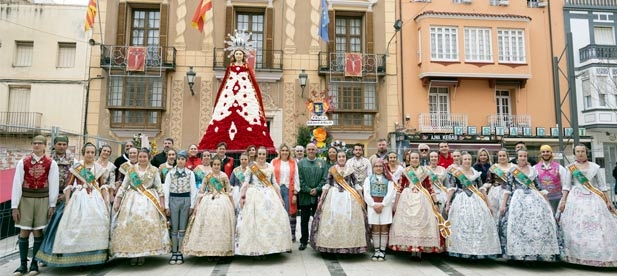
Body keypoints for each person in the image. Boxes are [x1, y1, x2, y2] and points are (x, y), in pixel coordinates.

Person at [37, 142, 111, 267]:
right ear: (83, 153)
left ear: (95, 154)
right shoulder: (77, 167)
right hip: (79, 197)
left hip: (95, 199)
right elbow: (69, 186)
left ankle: (93, 256)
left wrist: (105, 201)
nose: (90, 154)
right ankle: (73, 257)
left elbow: (102, 185)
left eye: (92, 152)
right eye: (88, 152)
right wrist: (67, 202)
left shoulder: (98, 168)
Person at [197, 39, 275, 154]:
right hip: (229, 96)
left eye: (240, 54)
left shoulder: (247, 69)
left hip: (245, 96)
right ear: (234, 55)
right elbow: (225, 83)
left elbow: (252, 82)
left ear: (243, 56)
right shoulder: (230, 68)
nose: (238, 56)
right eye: (237, 53)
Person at [558, 144, 617, 267]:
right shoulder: (570, 168)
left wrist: (608, 201)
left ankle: (599, 256)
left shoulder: (595, 167)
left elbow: (602, 185)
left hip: (594, 198)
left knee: (598, 225)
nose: (580, 153)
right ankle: (576, 256)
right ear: (575, 153)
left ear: (587, 152)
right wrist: (563, 200)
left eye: (582, 151)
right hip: (576, 198)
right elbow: (566, 186)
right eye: (578, 151)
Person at [111, 148, 170, 266]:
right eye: (140, 157)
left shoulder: (154, 170)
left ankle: (143, 254)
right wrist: (117, 201)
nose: (142, 159)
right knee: (131, 226)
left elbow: (159, 187)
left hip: (149, 201)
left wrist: (162, 203)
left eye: (144, 157)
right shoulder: (131, 170)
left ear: (149, 158)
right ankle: (132, 253)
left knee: (147, 225)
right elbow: (123, 186)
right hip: (131, 199)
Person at [11, 135, 59, 276]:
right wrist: (14, 206)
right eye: (35, 143)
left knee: (38, 231)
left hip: (42, 199)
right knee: (24, 231)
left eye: (40, 143)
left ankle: (34, 264)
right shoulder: (23, 162)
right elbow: (17, 184)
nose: (37, 145)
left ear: (45, 145)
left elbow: (54, 184)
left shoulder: (51, 163)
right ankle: (22, 265)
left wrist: (52, 204)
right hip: (25, 199)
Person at [498, 149, 558, 261]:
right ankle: (520, 253)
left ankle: (535, 252)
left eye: (525, 156)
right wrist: (503, 205)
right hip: (518, 199)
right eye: (520, 156)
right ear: (517, 157)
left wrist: (548, 204)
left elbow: (539, 187)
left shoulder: (533, 170)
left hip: (534, 198)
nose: (523, 158)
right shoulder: (513, 170)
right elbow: (508, 189)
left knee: (536, 225)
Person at [236, 147, 292, 256]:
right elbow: (246, 183)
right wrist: (242, 197)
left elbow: (274, 183)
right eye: (260, 154)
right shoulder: (251, 167)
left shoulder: (270, 167)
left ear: (266, 155)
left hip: (269, 195)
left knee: (271, 220)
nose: (261, 156)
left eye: (263, 154)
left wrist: (280, 197)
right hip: (254, 195)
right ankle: (256, 248)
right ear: (257, 155)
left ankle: (272, 248)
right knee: (256, 222)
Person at [310, 150, 369, 254]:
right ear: (337, 158)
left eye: (343, 156)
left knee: (348, 219)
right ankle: (331, 245)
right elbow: (327, 184)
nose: (341, 158)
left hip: (349, 197)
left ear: (346, 158)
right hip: (333, 196)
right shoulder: (332, 170)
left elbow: (356, 184)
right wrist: (321, 199)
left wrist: (361, 197)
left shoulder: (351, 170)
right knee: (332, 219)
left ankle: (350, 245)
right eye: (339, 157)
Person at [389, 152, 445, 260]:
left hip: (422, 198)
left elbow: (430, 187)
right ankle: (410, 249)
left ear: (419, 159)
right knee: (408, 223)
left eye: (416, 158)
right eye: (412, 158)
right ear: (409, 159)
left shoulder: (425, 171)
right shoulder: (405, 171)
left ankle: (419, 251)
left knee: (421, 223)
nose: (414, 159)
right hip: (407, 198)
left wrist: (436, 202)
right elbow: (400, 187)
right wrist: (396, 203)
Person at [445, 152, 501, 259]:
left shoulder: (476, 173)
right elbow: (451, 189)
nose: (467, 161)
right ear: (462, 160)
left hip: (476, 200)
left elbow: (482, 189)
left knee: (478, 223)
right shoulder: (456, 173)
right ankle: (461, 250)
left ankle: (477, 250)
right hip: (461, 199)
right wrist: (448, 203)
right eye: (465, 159)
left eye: (469, 159)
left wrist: (488, 204)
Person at [184, 157, 234, 257]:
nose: (216, 166)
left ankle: (221, 250)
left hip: (222, 200)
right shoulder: (208, 176)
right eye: (214, 164)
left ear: (221, 165)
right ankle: (207, 251)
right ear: (212, 165)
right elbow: (201, 191)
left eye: (218, 164)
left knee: (220, 225)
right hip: (208, 200)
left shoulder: (224, 176)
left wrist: (232, 204)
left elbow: (229, 191)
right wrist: (197, 205)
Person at [163, 150, 197, 264]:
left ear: (186, 161)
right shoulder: (170, 173)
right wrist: (166, 206)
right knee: (174, 226)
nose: (180, 161)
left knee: (183, 226)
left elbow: (193, 190)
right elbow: (166, 189)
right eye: (178, 159)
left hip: (185, 200)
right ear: (176, 160)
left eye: (182, 159)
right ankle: (174, 252)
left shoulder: (190, 173)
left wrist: (192, 205)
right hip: (173, 199)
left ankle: (180, 252)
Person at [297, 143, 328, 251]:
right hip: (304, 196)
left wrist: (318, 189)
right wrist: (308, 190)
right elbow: (299, 179)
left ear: (316, 150)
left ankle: (316, 240)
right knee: (304, 220)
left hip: (318, 197)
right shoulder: (300, 163)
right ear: (306, 151)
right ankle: (304, 241)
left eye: (312, 149)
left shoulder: (322, 163)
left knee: (318, 219)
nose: (311, 151)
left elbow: (325, 178)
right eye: (309, 149)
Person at [364, 159, 396, 261]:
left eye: (380, 166)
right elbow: (366, 193)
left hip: (385, 206)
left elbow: (391, 193)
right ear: (373, 168)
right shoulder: (368, 179)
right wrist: (373, 204)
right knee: (375, 227)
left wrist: (383, 204)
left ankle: (382, 251)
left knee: (384, 227)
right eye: (376, 166)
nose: (378, 168)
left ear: (383, 167)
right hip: (372, 205)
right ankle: (376, 250)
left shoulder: (389, 179)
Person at [271, 144, 300, 242]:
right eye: (282, 150)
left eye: (286, 150)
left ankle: (289, 236)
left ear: (289, 152)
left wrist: (295, 193)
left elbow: (296, 177)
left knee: (289, 213)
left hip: (289, 190)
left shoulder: (293, 162)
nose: (284, 152)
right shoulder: (274, 162)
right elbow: (269, 177)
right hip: (277, 190)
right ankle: (277, 236)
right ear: (279, 152)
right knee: (277, 212)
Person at [534, 145, 567, 213]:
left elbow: (565, 185)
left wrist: (564, 200)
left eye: (547, 151)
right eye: (543, 152)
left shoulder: (559, 168)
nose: (545, 153)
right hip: (541, 199)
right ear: (540, 154)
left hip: (557, 199)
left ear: (551, 153)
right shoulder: (534, 168)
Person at [485, 149, 514, 226]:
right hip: (495, 192)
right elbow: (488, 181)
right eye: (500, 156)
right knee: (495, 212)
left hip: (509, 192)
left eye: (504, 155)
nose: (502, 157)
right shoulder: (494, 168)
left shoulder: (513, 167)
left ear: (507, 156)